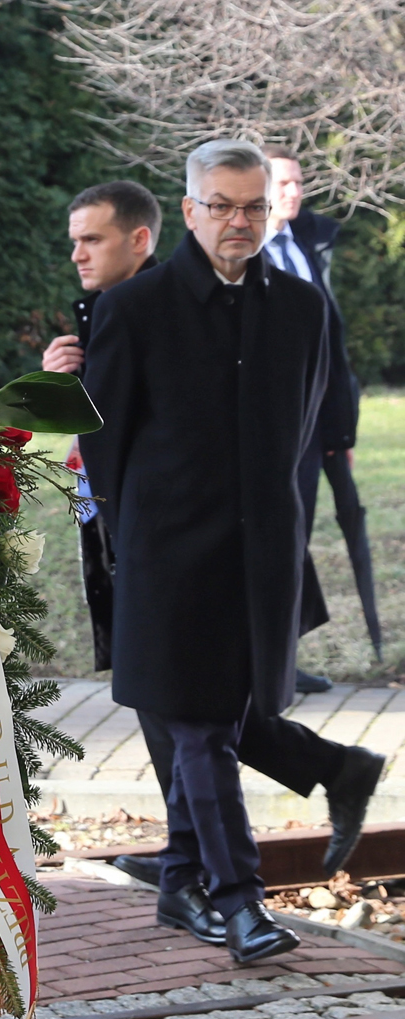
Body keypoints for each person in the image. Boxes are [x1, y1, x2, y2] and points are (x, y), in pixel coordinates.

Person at [47, 181, 386, 895]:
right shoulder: (114, 308)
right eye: (73, 239)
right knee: (175, 702)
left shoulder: (180, 311)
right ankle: (195, 849)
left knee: (191, 708)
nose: (76, 253)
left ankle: (212, 872)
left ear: (140, 239)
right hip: (138, 536)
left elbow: (163, 436)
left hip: (196, 547)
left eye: (93, 239)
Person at [78, 140, 326, 965]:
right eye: (221, 205)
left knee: (212, 725)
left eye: (254, 206)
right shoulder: (134, 309)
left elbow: (302, 427)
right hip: (170, 561)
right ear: (188, 210)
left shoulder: (300, 307)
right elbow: (103, 446)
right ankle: (241, 900)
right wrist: (142, 535)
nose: (239, 221)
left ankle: (182, 877)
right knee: (202, 730)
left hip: (261, 562)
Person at [264, 145, 362, 698]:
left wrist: (338, 430)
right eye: (283, 184)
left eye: (299, 183)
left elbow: (330, 345)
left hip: (313, 429)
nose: (294, 193)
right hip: (272, 429)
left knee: (296, 538)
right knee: (276, 538)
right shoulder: (246, 253)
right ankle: (267, 666)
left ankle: (282, 662)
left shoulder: (305, 246)